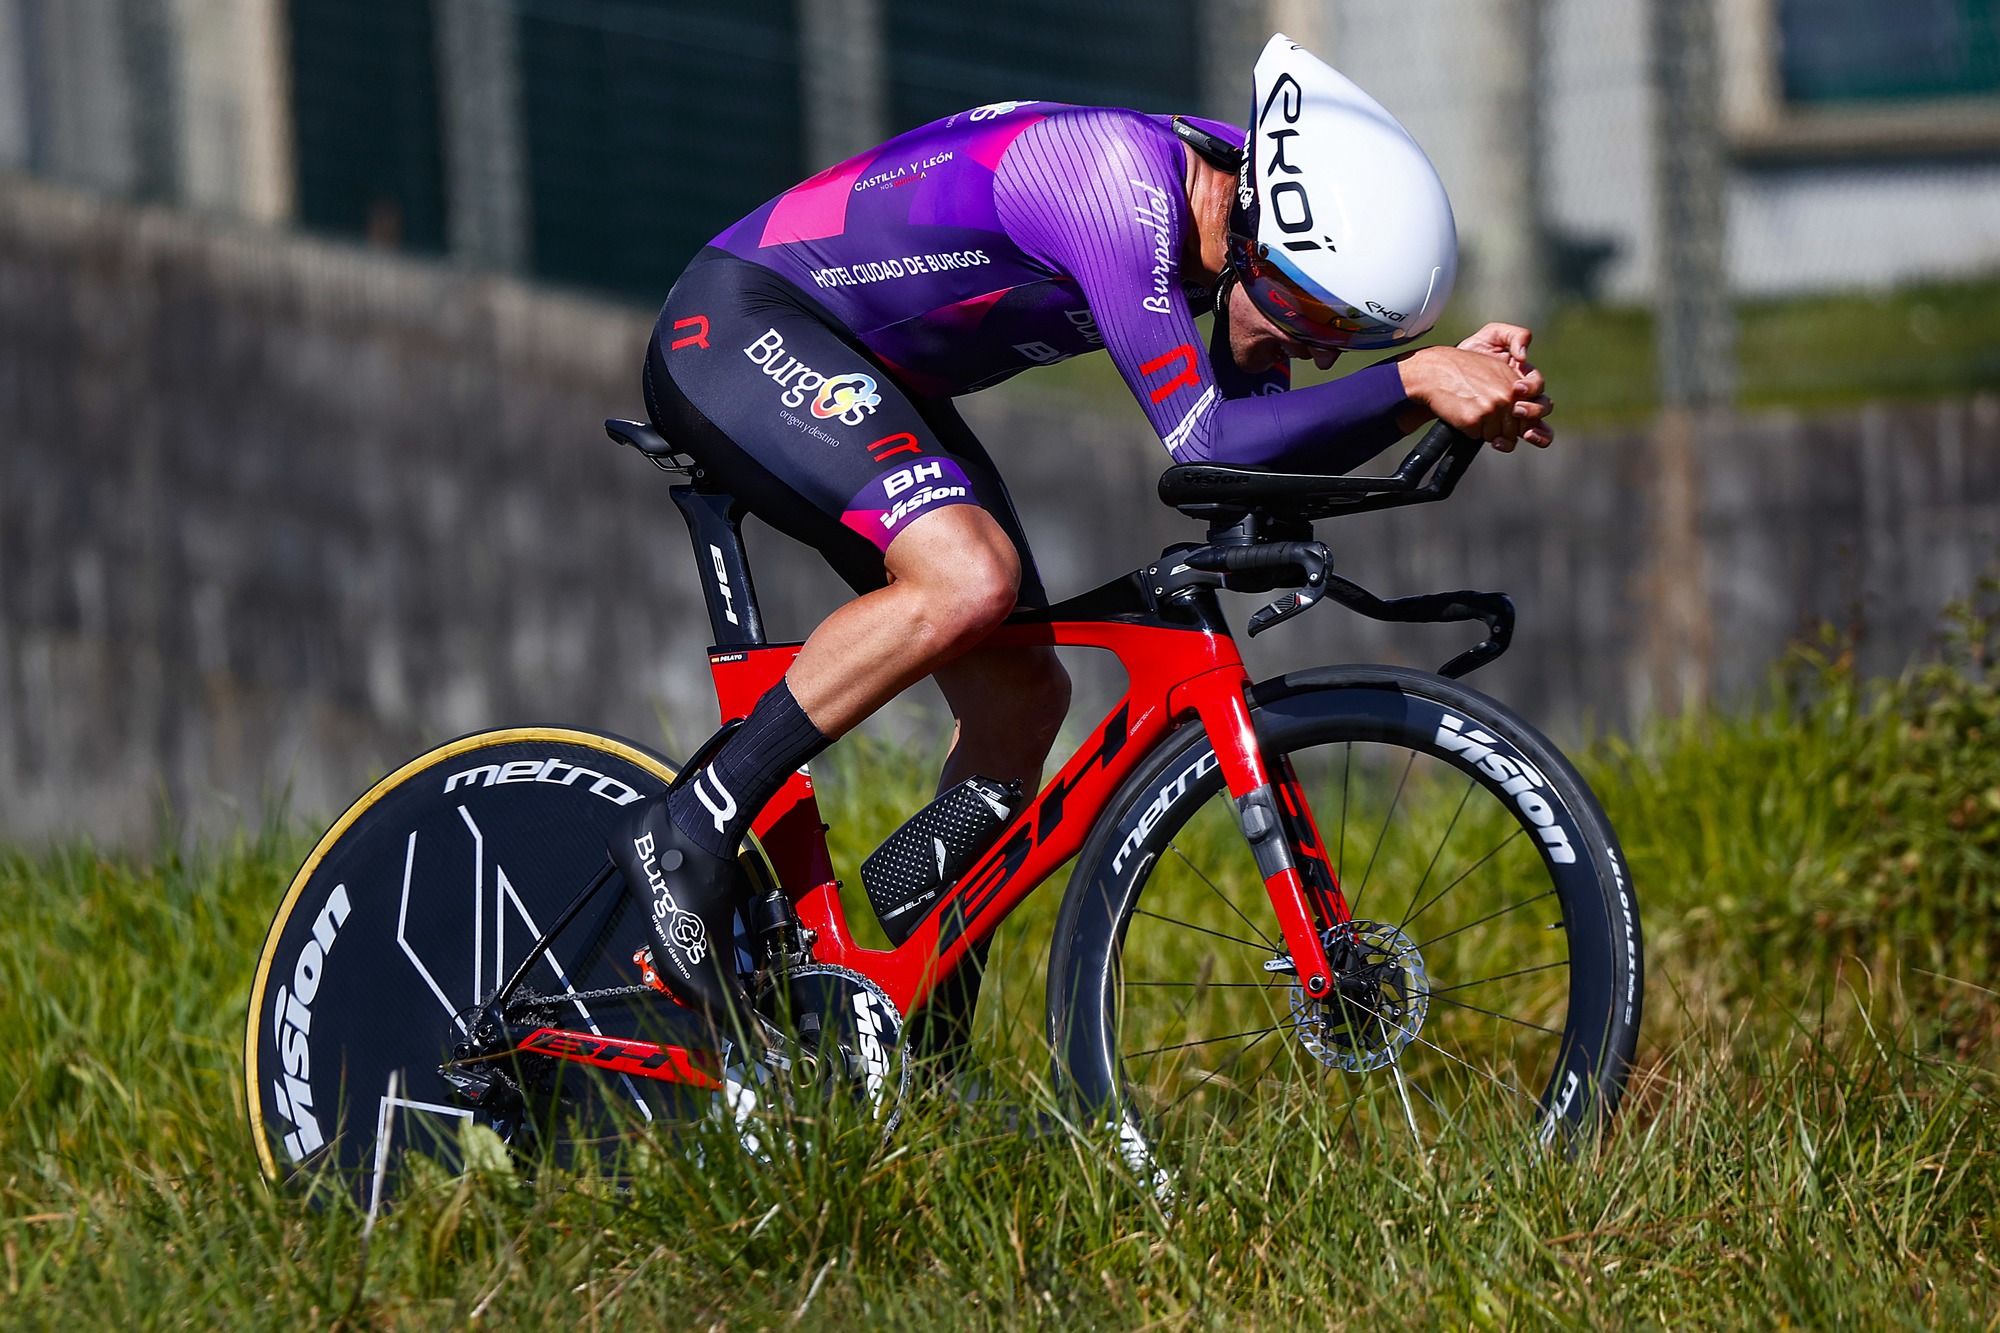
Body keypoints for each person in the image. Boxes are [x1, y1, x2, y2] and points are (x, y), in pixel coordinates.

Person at [610, 34, 1555, 1046]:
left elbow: (1237, 463)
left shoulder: (1233, 213)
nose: (1318, 349)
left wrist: (1434, 392)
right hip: (744, 321)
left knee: (1022, 695)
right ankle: (690, 825)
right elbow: (1204, 438)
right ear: (1252, 227)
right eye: (1310, 311)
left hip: (867, 366)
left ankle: (909, 1036)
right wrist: (1411, 383)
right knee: (969, 576)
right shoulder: (1115, 189)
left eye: (1349, 337)